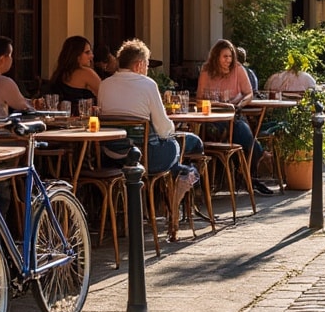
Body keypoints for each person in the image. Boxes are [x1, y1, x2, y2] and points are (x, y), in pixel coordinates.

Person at [97, 38, 203, 175]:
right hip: (145, 157)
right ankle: (189, 180)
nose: (147, 69)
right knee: (191, 142)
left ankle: (180, 175)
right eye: (147, 65)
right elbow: (164, 130)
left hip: (111, 156)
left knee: (174, 148)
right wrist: (173, 128)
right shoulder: (148, 84)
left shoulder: (104, 85)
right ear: (139, 65)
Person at [197, 39, 276, 196]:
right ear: (216, 57)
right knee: (240, 131)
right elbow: (200, 98)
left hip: (233, 114)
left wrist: (239, 105)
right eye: (225, 56)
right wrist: (213, 104)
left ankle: (247, 174)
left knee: (241, 129)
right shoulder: (207, 71)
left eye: (230, 56)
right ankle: (254, 165)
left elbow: (249, 94)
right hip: (212, 118)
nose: (229, 60)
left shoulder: (238, 69)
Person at [48, 35, 104, 115]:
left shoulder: (59, 73)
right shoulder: (86, 73)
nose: (92, 56)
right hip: (83, 119)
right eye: (87, 52)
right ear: (76, 55)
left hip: (62, 119)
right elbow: (105, 96)